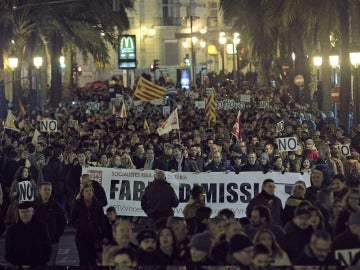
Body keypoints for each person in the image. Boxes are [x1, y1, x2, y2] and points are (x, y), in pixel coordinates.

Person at [69, 181, 108, 266]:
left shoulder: (98, 204)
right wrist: (81, 225)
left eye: (90, 190)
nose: (89, 192)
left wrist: (104, 235)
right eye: (86, 191)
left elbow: (102, 222)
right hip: (81, 236)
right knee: (83, 260)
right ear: (82, 193)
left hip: (94, 236)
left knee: (93, 260)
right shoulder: (77, 204)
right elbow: (71, 220)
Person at [5, 202, 51, 268]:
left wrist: (37, 264)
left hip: (37, 266)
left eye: (27, 211)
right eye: (22, 212)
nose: (24, 214)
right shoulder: (12, 231)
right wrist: (19, 264)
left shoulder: (42, 228)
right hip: (18, 266)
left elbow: (47, 248)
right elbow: (9, 251)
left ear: (32, 212)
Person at [33, 181, 66, 266]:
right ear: (39, 190)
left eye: (49, 190)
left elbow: (62, 222)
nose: (47, 191)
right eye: (45, 189)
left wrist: (57, 235)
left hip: (52, 241)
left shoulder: (56, 206)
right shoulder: (33, 205)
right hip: (36, 241)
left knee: (50, 264)